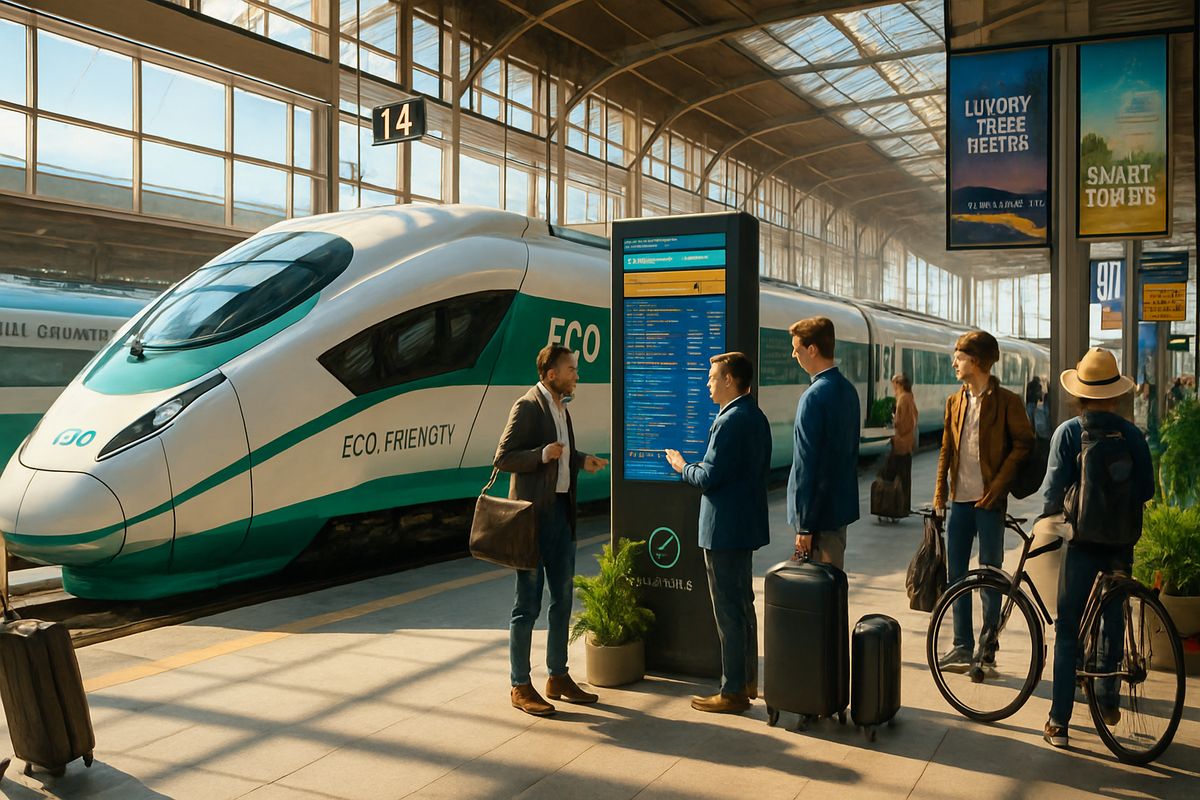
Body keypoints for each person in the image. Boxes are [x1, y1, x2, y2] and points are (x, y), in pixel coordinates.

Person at [1039, 348, 1153, 749]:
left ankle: (1059, 722)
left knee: (1068, 628)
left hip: (1082, 545)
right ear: (1117, 395)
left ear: (1079, 394)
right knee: (1113, 618)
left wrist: (1047, 517)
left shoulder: (1069, 432)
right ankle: (1107, 700)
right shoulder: (1133, 435)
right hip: (1121, 545)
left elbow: (1052, 493)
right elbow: (1147, 490)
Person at [494, 344, 609, 716]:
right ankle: (519, 684)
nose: (577, 375)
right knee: (526, 605)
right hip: (532, 520)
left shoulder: (562, 407)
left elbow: (560, 452)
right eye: (572, 369)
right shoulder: (527, 406)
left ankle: (558, 676)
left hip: (561, 514)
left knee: (562, 601)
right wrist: (542, 455)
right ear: (550, 375)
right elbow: (504, 457)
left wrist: (580, 460)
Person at [666, 352, 771, 715]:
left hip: (723, 530)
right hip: (744, 527)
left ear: (729, 380)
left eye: (712, 378)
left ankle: (732, 691)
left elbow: (708, 477)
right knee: (743, 606)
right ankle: (747, 681)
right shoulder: (755, 416)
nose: (707, 383)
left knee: (728, 611)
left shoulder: (729, 421)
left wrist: (683, 466)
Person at [933, 331, 1034, 672]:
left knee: (990, 578)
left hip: (989, 504)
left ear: (974, 361)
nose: (954, 363)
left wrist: (1000, 486)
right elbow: (947, 448)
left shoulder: (1008, 401)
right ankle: (961, 646)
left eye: (958, 358)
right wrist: (940, 494)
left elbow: (1024, 443)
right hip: (960, 503)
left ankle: (986, 647)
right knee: (955, 577)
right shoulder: (954, 401)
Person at [787, 317, 860, 570]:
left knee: (817, 595)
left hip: (817, 519)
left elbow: (808, 465)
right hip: (839, 511)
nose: (794, 354)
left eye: (797, 348)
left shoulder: (813, 397)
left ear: (812, 349)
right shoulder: (849, 391)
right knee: (832, 585)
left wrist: (804, 525)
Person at [889, 373, 918, 510]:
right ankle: (904, 504)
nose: (893, 388)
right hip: (907, 441)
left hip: (902, 443)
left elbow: (904, 422)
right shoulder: (909, 397)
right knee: (905, 474)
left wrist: (895, 424)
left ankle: (899, 505)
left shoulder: (903, 399)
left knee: (899, 474)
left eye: (895, 385)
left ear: (900, 385)